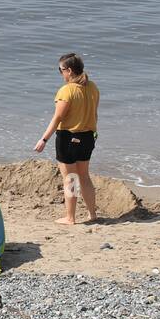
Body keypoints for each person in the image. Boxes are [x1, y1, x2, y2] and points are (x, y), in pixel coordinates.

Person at [34, 52, 100, 224]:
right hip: (88, 137)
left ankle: (70, 217)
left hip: (68, 137)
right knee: (84, 176)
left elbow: (57, 118)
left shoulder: (66, 91)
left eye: (60, 70)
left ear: (69, 71)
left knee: (70, 178)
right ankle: (92, 214)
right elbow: (95, 114)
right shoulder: (92, 87)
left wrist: (44, 139)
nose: (61, 73)